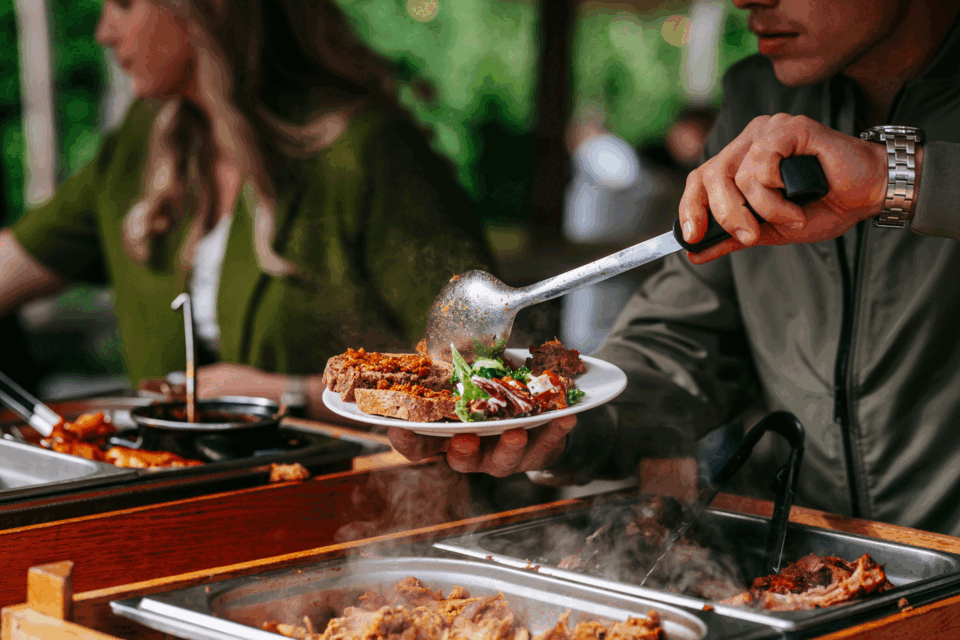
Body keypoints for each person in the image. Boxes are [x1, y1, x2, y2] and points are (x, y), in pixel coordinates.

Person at [389, 0, 960, 537]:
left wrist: (900, 180)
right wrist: (562, 422)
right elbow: (686, 340)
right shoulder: (759, 99)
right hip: (799, 556)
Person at [0, 0, 495, 419]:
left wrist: (288, 394)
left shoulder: (366, 150)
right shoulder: (141, 144)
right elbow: (13, 262)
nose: (104, 31)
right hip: (174, 495)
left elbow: (474, 368)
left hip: (356, 497)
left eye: (126, 3)